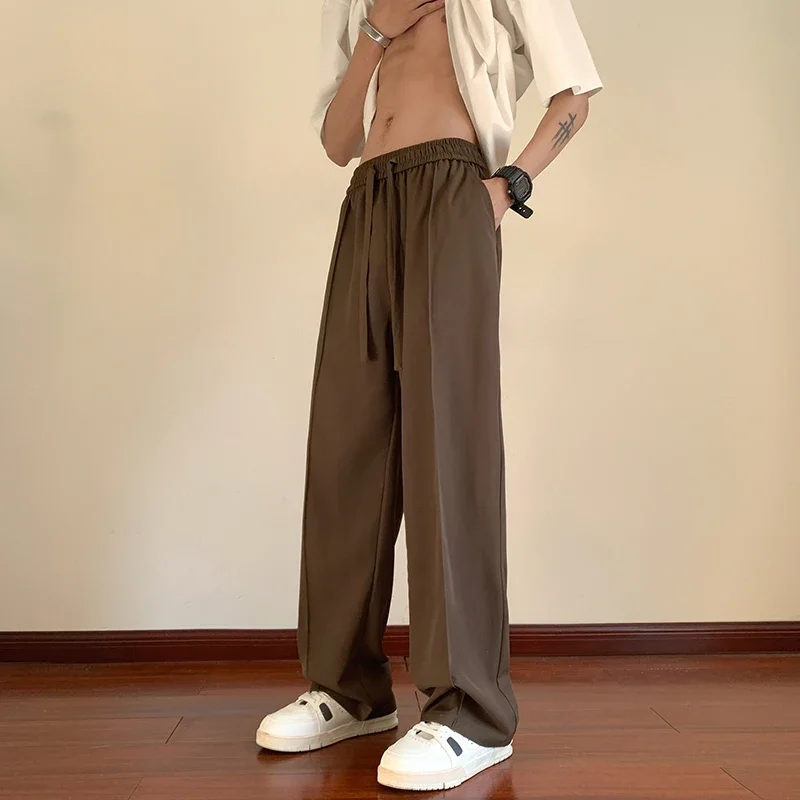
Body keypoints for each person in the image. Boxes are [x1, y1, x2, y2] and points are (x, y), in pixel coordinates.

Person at [257, 0, 602, 791]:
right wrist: (376, 32)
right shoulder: (357, 5)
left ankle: (471, 711)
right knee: (345, 445)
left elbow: (575, 92)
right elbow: (337, 141)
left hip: (452, 187)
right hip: (368, 196)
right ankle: (349, 689)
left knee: (448, 443)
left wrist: (504, 187)